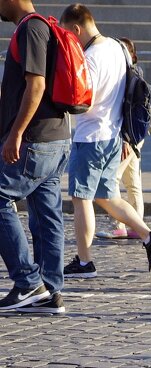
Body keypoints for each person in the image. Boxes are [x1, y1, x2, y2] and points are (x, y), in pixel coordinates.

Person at [60, 4, 151, 279]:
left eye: (67, 35)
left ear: (76, 29)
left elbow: (85, 99)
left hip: (91, 135)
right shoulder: (118, 48)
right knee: (106, 195)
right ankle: (148, 236)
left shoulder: (92, 57)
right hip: (112, 134)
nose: (67, 41)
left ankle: (84, 262)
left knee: (80, 197)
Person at [0, 0, 71, 314]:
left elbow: (37, 84)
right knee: (46, 214)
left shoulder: (30, 27)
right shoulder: (43, 27)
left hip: (34, 140)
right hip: (54, 137)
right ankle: (48, 290)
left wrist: (15, 132)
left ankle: (29, 283)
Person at [96, 36, 145, 242]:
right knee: (133, 181)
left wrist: (126, 139)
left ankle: (121, 226)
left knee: (112, 177)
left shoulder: (128, 75)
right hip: (135, 134)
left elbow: (128, 110)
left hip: (128, 135)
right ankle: (136, 225)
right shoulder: (134, 73)